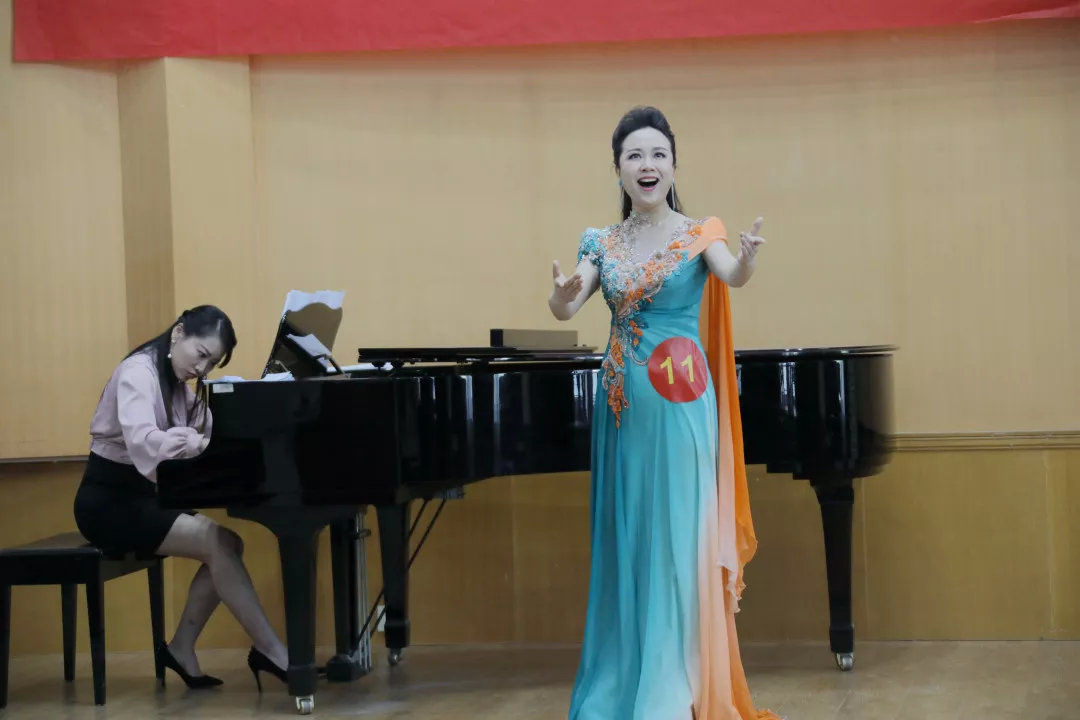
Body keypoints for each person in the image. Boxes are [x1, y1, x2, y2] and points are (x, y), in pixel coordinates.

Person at [549, 107, 778, 720]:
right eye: (635, 156)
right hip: (621, 410)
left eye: (658, 155)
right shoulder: (601, 242)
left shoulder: (702, 232)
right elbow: (568, 305)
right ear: (618, 169)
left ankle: (677, 687)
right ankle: (626, 681)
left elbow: (732, 274)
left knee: (679, 540)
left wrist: (747, 260)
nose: (647, 165)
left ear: (674, 166)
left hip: (680, 405)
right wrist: (559, 296)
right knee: (629, 539)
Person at [73, 305, 288, 690]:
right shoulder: (138, 373)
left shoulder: (175, 381)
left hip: (144, 495)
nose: (202, 369)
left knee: (227, 543)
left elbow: (206, 430)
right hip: (109, 502)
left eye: (212, 363)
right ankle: (271, 650)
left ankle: (182, 648)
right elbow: (144, 441)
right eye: (201, 354)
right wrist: (193, 443)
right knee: (217, 542)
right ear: (178, 333)